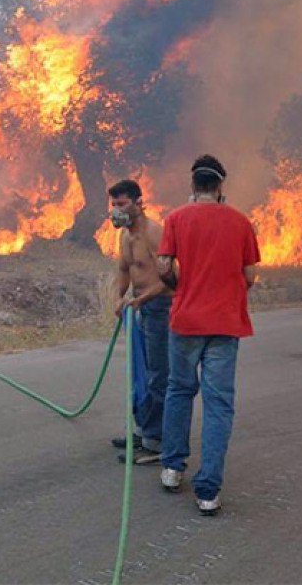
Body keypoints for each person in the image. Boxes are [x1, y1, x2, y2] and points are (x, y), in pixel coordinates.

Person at [155, 155, 260, 516]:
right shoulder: (241, 222)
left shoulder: (175, 218)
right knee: (218, 404)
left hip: (185, 321)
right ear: (220, 186)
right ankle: (208, 490)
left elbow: (163, 266)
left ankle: (172, 468)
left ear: (193, 184)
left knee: (179, 390)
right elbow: (250, 276)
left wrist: (181, 286)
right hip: (225, 324)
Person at [107, 179, 173, 464]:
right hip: (140, 308)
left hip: (160, 308)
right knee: (140, 374)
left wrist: (142, 299)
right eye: (113, 205)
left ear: (138, 203)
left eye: (122, 204)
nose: (116, 210)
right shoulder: (125, 237)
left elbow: (172, 278)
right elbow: (124, 270)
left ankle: (155, 441)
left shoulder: (155, 233)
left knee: (158, 374)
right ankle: (141, 430)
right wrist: (118, 297)